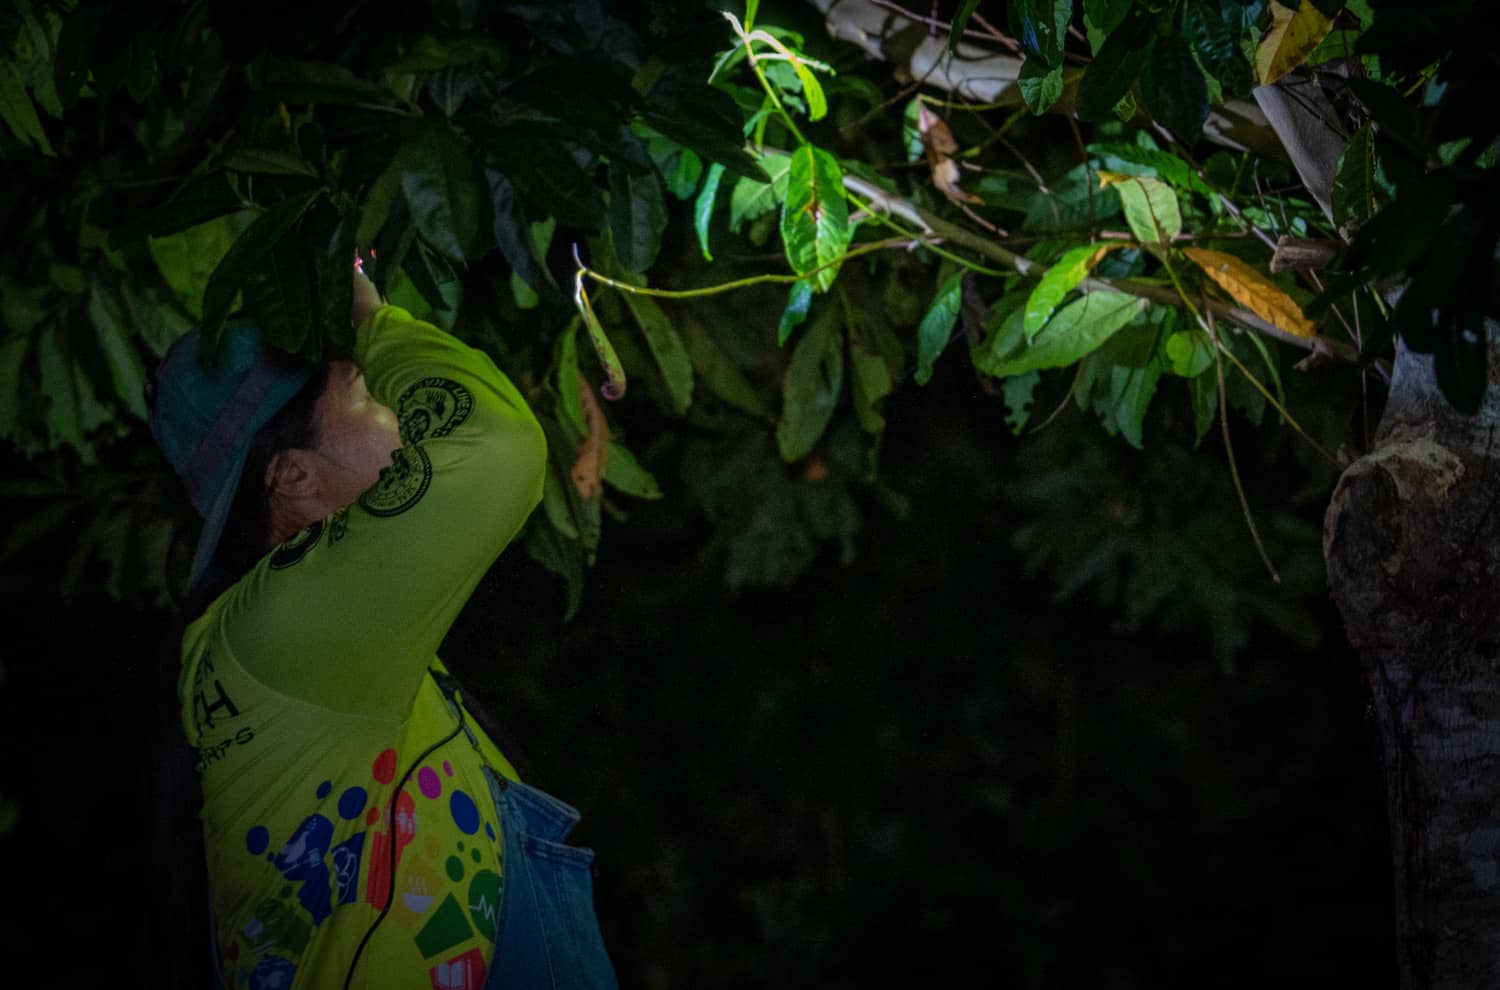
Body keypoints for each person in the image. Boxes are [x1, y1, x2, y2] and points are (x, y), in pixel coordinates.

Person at [145, 263, 619, 990]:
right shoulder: (283, 630)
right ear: (293, 476)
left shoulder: (322, 641)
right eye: (368, 391)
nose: (402, 410)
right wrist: (370, 318)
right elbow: (491, 444)